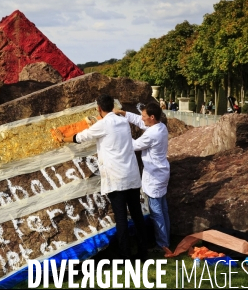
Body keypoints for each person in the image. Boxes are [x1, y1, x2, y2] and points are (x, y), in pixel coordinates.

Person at [53, 94, 147, 261]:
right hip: (132, 175)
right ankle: (143, 250)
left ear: (98, 108)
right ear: (112, 106)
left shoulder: (103, 125)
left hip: (117, 178)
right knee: (137, 214)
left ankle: (125, 255)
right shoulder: (122, 121)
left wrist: (63, 139)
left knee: (121, 218)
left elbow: (81, 137)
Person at [114, 103, 172, 256]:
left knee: (157, 212)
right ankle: (166, 241)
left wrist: (120, 131)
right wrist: (123, 113)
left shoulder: (153, 134)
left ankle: (162, 244)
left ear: (152, 117)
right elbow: (140, 121)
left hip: (155, 176)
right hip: (161, 172)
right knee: (163, 209)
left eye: (145, 116)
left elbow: (133, 145)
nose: (142, 119)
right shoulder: (160, 126)